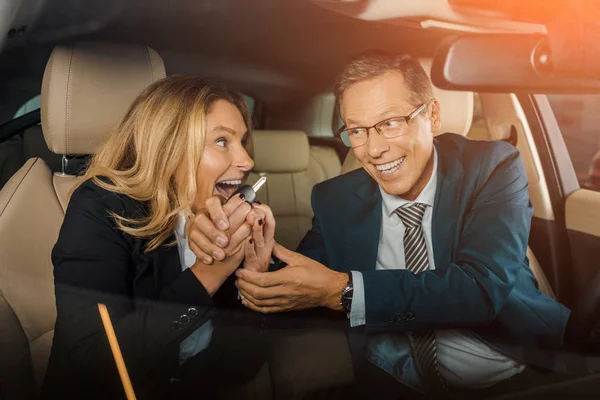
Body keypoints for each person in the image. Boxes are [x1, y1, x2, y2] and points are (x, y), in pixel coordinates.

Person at [193, 52, 572, 398]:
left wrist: (344, 292)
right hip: (394, 384)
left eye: (390, 123)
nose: (373, 150)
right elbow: (301, 284)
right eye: (357, 130)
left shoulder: (492, 167)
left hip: (514, 376)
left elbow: (479, 289)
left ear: (433, 117)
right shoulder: (334, 198)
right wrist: (258, 269)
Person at [42, 76, 275, 399]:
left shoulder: (233, 219)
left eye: (242, 142)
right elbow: (95, 363)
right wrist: (205, 277)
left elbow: (240, 366)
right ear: (169, 146)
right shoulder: (99, 208)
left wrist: (254, 280)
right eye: (222, 141)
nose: (247, 161)